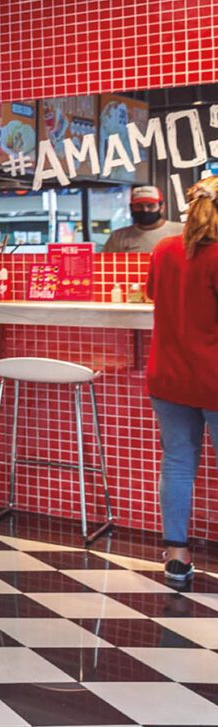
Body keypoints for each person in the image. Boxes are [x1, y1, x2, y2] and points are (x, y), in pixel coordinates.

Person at [145, 176, 218, 586]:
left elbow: (154, 294)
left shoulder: (164, 248)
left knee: (176, 462)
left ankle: (176, 557)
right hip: (214, 378)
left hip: (168, 376)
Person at [104, 185, 183, 253]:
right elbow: (105, 263)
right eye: (139, 206)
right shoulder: (118, 236)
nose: (145, 210)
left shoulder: (182, 231)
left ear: (161, 207)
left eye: (150, 205)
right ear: (131, 208)